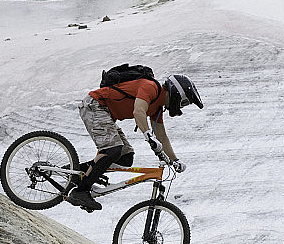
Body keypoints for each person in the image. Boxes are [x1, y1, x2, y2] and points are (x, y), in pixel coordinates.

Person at [67, 73, 203, 211]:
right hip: (95, 105)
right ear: (176, 93)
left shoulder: (157, 107)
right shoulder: (150, 87)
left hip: (105, 113)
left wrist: (174, 160)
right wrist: (148, 135)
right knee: (113, 150)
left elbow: (161, 136)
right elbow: (139, 111)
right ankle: (80, 192)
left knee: (126, 157)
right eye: (184, 102)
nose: (181, 107)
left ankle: (77, 172)